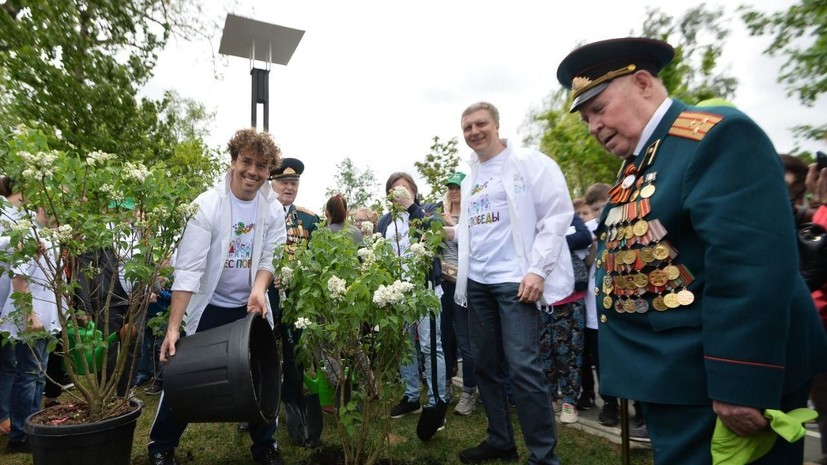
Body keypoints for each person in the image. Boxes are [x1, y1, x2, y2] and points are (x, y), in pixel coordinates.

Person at [556, 37, 827, 465]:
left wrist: (740, 381)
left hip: (717, 381)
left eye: (599, 109)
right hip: (678, 376)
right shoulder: (647, 158)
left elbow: (749, 267)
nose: (593, 127)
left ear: (643, 83)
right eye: (586, 118)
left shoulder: (715, 135)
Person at [147, 128, 286, 465]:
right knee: (182, 375)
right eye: (246, 161)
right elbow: (189, 270)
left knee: (260, 374)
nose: (253, 171)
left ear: (269, 171)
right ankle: (161, 446)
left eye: (262, 166)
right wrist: (173, 327)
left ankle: (265, 446)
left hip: (247, 309)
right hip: (209, 307)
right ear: (233, 160)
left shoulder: (272, 210)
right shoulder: (207, 206)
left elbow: (270, 258)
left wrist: (258, 289)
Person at [454, 101, 574, 465]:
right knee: (485, 365)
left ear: (496, 125)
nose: (474, 132)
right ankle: (500, 439)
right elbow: (473, 228)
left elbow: (556, 217)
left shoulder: (529, 163)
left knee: (523, 367)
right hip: (478, 283)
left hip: (514, 282)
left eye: (480, 124)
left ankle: (543, 455)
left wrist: (538, 270)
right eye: (467, 127)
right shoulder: (471, 176)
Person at [377, 172, 448, 437]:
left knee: (431, 346)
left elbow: (435, 232)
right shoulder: (385, 222)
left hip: (426, 291)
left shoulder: (427, 211)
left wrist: (411, 206)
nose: (399, 193)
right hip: (397, 294)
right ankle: (411, 397)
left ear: (414, 192)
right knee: (405, 347)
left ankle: (436, 401)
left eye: (404, 189)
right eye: (394, 190)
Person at [267, 157, 322, 445]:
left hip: (296, 299)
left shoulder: (308, 219)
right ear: (272, 183)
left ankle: (293, 398)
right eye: (283, 182)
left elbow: (317, 259)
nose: (289, 187)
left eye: (294, 183)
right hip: (264, 294)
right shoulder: (260, 212)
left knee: (295, 352)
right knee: (259, 351)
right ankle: (257, 408)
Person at [439, 172, 479, 416]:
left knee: (465, 340)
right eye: (451, 187)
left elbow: (473, 243)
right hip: (442, 283)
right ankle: (445, 386)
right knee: (443, 338)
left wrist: (452, 227)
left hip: (464, 283)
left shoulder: (473, 214)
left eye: (459, 187)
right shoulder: (439, 213)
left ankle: (469, 391)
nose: (454, 191)